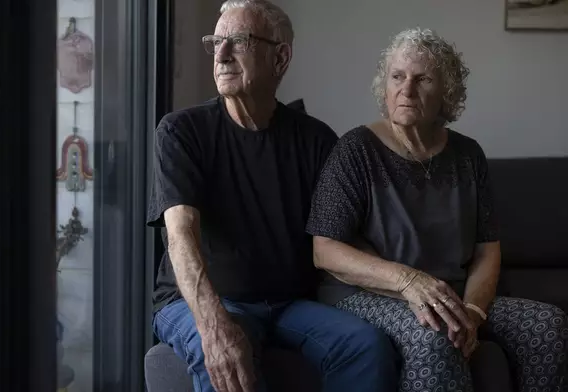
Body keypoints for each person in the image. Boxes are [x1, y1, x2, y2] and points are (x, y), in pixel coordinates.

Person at [146, 1, 399, 392]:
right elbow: (180, 234)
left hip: (288, 304)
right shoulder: (181, 131)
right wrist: (213, 325)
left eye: (239, 41)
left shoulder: (316, 140)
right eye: (216, 42)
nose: (222, 55)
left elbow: (343, 238)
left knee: (366, 347)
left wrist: (412, 284)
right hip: (201, 300)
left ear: (280, 58)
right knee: (232, 351)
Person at [306, 27, 568, 392]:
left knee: (549, 328)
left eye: (423, 79)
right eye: (397, 77)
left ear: (446, 91)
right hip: (370, 295)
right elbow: (325, 251)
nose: (407, 89)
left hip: (454, 296)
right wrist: (409, 281)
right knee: (437, 337)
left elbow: (487, 249)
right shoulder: (356, 150)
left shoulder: (468, 155)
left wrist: (474, 313)